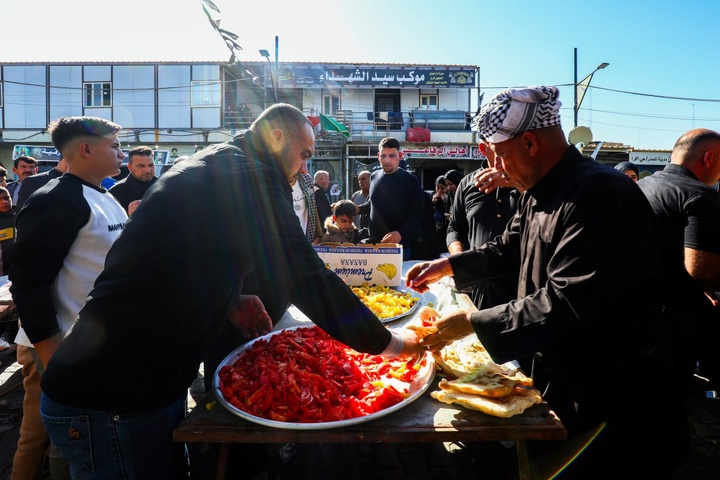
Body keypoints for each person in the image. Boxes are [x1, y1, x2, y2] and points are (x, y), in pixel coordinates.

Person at [38, 103, 423, 479]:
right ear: (275, 137)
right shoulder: (253, 173)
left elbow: (177, 254)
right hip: (110, 394)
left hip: (140, 380)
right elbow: (303, 273)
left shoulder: (218, 161)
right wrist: (389, 345)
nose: (304, 167)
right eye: (303, 154)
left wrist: (230, 300)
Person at [405, 86, 688, 478]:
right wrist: (447, 267)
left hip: (612, 393)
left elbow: (570, 300)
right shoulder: (538, 192)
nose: (497, 169)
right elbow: (509, 248)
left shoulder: (598, 193)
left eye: (500, 155)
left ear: (530, 143)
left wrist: (471, 324)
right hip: (562, 372)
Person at [8, 116, 127, 480]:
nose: (121, 153)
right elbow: (28, 285)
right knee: (69, 443)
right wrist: (53, 355)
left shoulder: (104, 195)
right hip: (62, 350)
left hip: (92, 351)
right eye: (114, 146)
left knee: (83, 439)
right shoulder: (56, 200)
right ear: (86, 149)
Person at [637, 129, 720, 392]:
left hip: (633, 314)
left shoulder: (642, 186)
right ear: (709, 157)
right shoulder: (700, 195)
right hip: (673, 324)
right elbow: (701, 270)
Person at [445, 137, 521, 311]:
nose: (507, 157)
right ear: (483, 149)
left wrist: (513, 180)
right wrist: (458, 258)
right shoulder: (468, 184)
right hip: (479, 286)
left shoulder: (528, 183)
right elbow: (455, 227)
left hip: (522, 288)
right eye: (499, 151)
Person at [356, 137, 424, 260]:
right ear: (378, 156)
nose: (387, 160)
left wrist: (400, 233)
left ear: (400, 156)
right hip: (373, 245)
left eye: (392, 156)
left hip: (398, 247)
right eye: (383, 156)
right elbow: (373, 202)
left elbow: (418, 214)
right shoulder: (374, 176)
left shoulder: (410, 180)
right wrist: (357, 209)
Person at [108, 145, 157, 213]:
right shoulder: (116, 192)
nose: (147, 170)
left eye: (151, 165)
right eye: (141, 166)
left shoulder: (164, 187)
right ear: (130, 167)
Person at [432, 175, 449, 254]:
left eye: (442, 188)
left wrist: (446, 203)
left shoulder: (451, 200)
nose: (439, 191)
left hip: (447, 237)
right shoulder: (432, 200)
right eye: (437, 188)